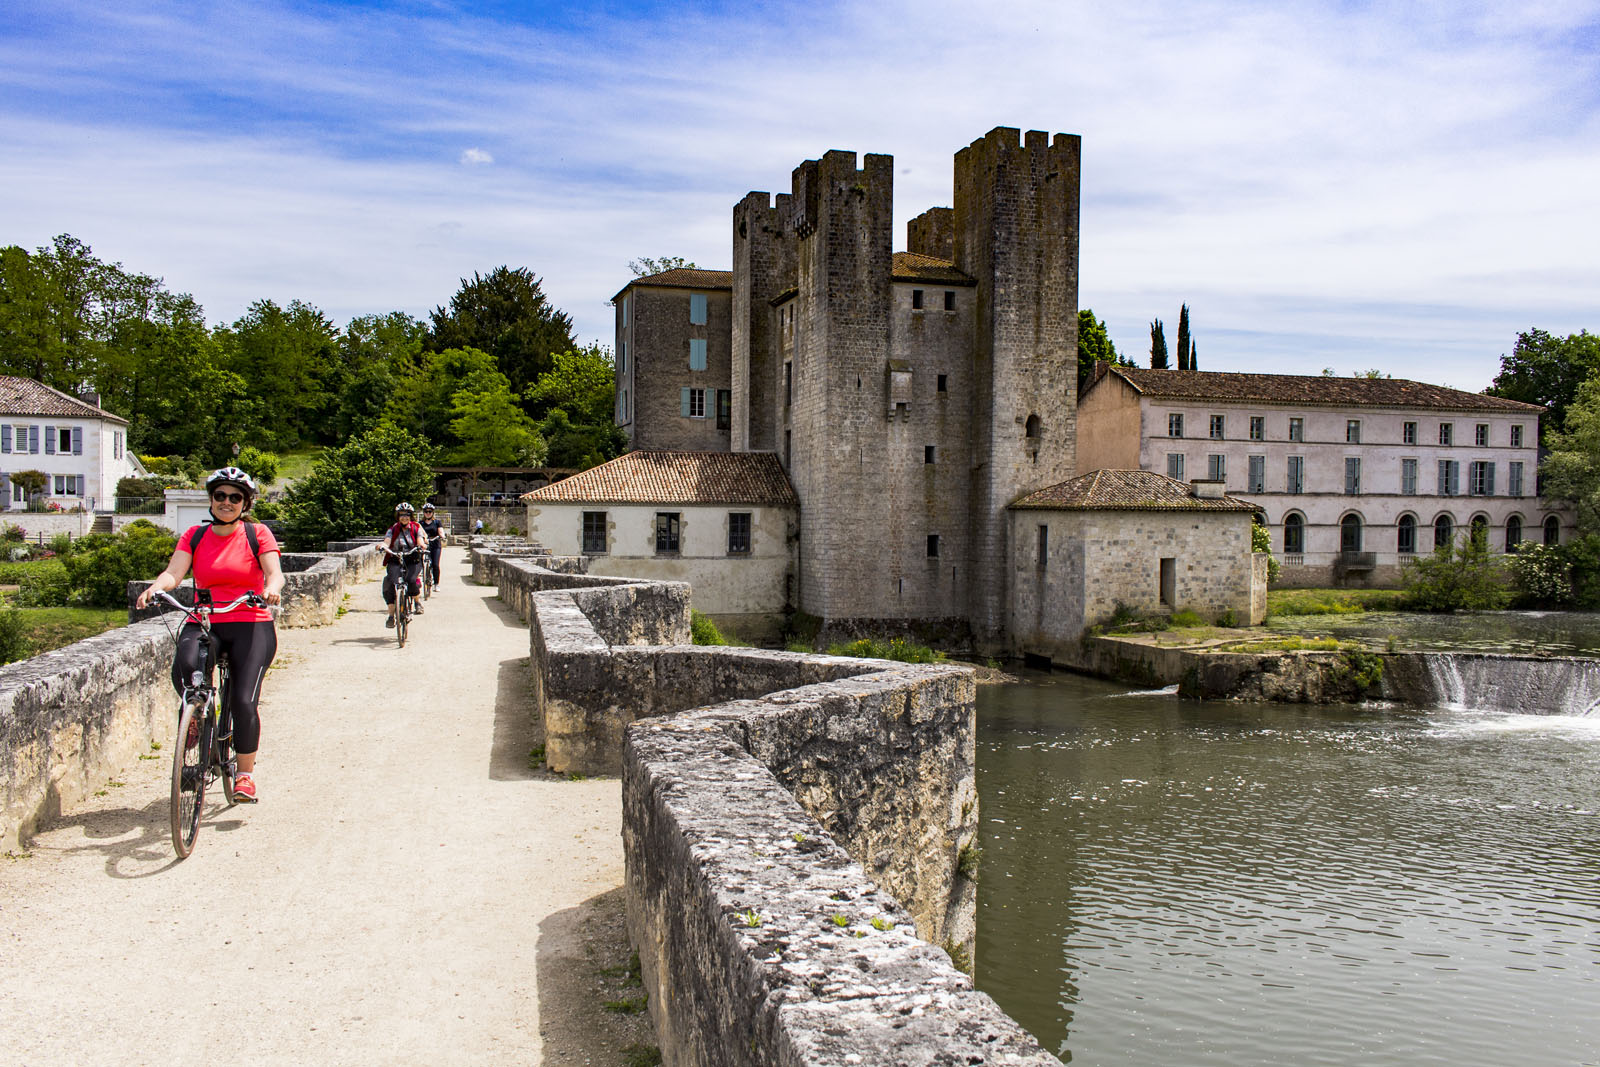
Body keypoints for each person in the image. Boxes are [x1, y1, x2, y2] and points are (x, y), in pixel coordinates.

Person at [136, 466, 283, 803]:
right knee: (186, 669)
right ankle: (198, 721)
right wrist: (156, 588)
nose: (226, 502)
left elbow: (274, 572)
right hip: (205, 619)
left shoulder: (257, 533)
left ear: (244, 503)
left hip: (250, 621)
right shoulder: (195, 535)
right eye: (220, 496)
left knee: (245, 701)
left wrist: (271, 588)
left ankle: (244, 775)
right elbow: (174, 573)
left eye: (235, 497)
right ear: (211, 500)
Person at [381, 502, 426, 628]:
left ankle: (417, 602)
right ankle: (391, 616)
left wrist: (421, 546)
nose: (404, 517)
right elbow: (387, 540)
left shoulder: (416, 528)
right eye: (401, 515)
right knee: (389, 584)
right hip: (395, 559)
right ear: (398, 516)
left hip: (412, 559)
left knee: (411, 580)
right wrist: (383, 546)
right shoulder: (393, 529)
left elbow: (420, 540)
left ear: (410, 516)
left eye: (407, 515)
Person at [419, 503, 445, 592]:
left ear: (433, 512)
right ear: (423, 513)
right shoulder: (420, 523)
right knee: (419, 560)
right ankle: (423, 573)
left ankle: (436, 583)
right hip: (424, 545)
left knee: (435, 564)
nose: (428, 513)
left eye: (430, 511)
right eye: (426, 511)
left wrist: (442, 536)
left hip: (435, 545)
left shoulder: (437, 522)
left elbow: (441, 532)